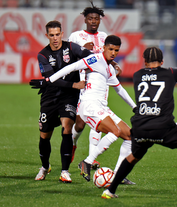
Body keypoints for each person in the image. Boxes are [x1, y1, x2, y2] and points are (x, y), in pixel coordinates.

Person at [101, 46, 177, 199]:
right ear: (162, 61)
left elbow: (158, 78)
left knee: (133, 157)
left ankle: (110, 191)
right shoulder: (171, 73)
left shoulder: (137, 75)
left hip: (140, 127)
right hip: (162, 126)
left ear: (144, 61)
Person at [46, 35, 137, 183]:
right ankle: (87, 162)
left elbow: (120, 90)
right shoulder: (95, 59)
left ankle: (118, 176)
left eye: (116, 50)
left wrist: (135, 107)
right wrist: (50, 79)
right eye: (110, 49)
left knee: (130, 137)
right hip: (89, 105)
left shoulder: (110, 69)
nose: (113, 53)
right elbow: (72, 67)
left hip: (101, 107)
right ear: (103, 48)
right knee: (115, 131)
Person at [67, 3, 132, 185]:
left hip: (100, 85)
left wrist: (114, 67)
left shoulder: (104, 37)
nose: (94, 21)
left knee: (99, 121)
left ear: (100, 20)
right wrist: (81, 51)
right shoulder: (76, 36)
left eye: (97, 18)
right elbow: (68, 57)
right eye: (90, 18)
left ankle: (90, 160)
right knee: (80, 124)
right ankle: (74, 144)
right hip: (83, 84)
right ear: (85, 19)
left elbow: (107, 58)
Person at [30, 20, 92, 183]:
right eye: (52, 35)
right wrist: (74, 84)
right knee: (45, 135)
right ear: (47, 36)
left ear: (62, 34)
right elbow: (51, 80)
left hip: (68, 96)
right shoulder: (43, 55)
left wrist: (96, 58)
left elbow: (90, 57)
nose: (55, 38)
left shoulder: (71, 47)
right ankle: (44, 166)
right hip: (49, 97)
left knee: (67, 127)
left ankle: (65, 171)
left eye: (58, 34)